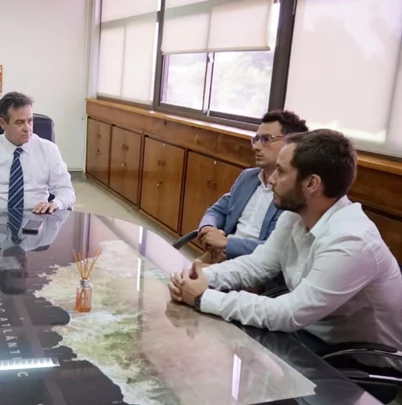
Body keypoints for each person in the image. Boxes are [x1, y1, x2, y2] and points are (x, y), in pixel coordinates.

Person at [168, 129, 402, 352]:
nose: (271, 180)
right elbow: (256, 265)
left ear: (311, 184)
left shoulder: (351, 241)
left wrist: (204, 297)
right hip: (305, 337)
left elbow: (289, 313)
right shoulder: (294, 216)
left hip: (353, 362)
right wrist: (200, 277)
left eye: (280, 171)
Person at [197, 110, 308, 264]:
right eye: (256, 139)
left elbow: (277, 250)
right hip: (219, 256)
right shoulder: (248, 177)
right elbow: (217, 210)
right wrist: (208, 228)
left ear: (290, 145)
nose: (256, 146)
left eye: (266, 139)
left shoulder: (293, 192)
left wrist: (227, 243)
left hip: (255, 266)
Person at [0, 92, 76, 216]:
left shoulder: (49, 150)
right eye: (19, 122)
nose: (27, 128)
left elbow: (66, 191)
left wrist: (55, 204)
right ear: (3, 123)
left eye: (30, 121)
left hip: (38, 219)